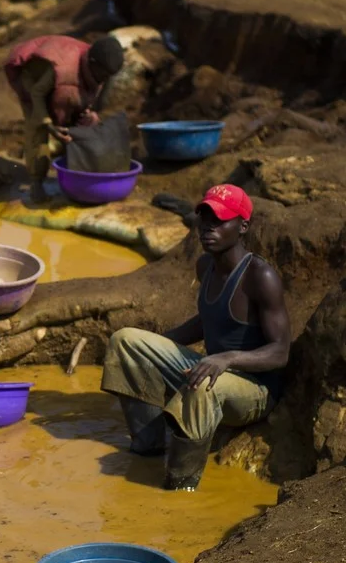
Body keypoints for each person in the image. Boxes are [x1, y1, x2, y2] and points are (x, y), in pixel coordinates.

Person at [100, 185, 290, 491]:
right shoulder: (206, 266)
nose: (208, 227)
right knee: (126, 341)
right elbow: (208, 322)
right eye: (204, 218)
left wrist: (228, 359)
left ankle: (179, 485)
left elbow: (280, 352)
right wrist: (155, 346)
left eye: (219, 220)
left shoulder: (260, 276)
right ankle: (148, 446)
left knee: (203, 386)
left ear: (242, 226)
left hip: (255, 388)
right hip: (213, 368)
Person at [3, 34, 124, 201]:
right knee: (38, 130)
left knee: (86, 124)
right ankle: (36, 182)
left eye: (109, 76)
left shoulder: (101, 72)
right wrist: (47, 123)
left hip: (66, 89)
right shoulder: (62, 68)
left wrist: (89, 114)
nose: (105, 79)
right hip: (34, 82)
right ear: (92, 63)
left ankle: (73, 169)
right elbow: (37, 94)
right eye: (103, 74)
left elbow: (91, 101)